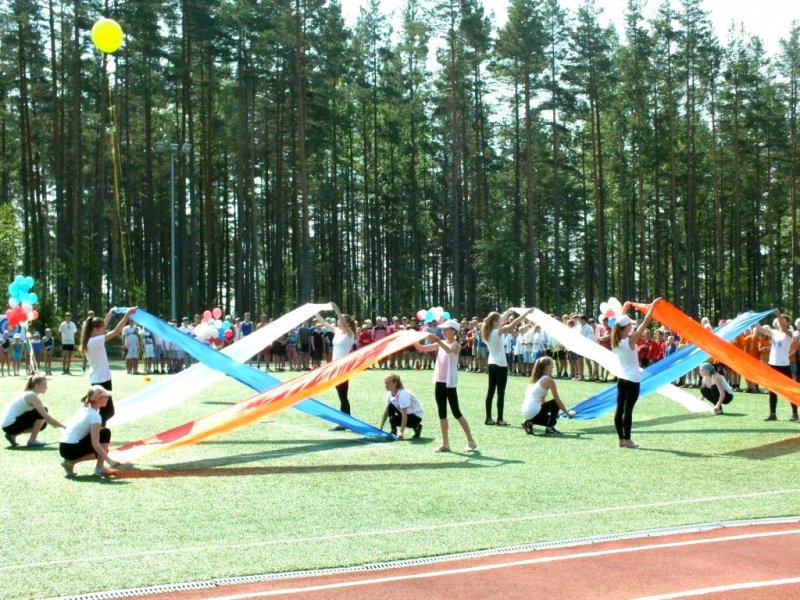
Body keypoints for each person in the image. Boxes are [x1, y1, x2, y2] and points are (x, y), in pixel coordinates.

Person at [414, 319, 476, 453]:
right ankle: (445, 444)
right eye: (443, 329)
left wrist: (437, 339)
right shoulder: (440, 343)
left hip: (450, 383)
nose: (443, 331)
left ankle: (471, 441)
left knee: (456, 412)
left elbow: (449, 350)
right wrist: (414, 338)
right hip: (439, 382)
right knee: (442, 412)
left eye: (446, 329)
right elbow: (421, 348)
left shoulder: (456, 345)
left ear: (453, 331)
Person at [611, 299, 660, 448]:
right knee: (628, 411)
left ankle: (621, 439)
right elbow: (645, 323)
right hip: (632, 380)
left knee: (619, 409)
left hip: (621, 379)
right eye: (630, 326)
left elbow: (619, 323)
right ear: (626, 328)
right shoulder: (630, 341)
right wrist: (652, 307)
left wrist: (623, 311)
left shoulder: (615, 340)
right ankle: (628, 440)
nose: (632, 328)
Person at [80, 307, 137, 425]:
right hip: (101, 380)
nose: (104, 330)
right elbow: (116, 331)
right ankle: (96, 431)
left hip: (99, 379)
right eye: (102, 329)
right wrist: (127, 315)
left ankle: (96, 430)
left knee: (103, 410)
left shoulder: (91, 339)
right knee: (107, 411)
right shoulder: (95, 341)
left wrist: (110, 314)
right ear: (95, 329)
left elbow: (102, 325)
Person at [481, 308, 533, 426]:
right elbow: (511, 325)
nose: (501, 321)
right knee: (500, 393)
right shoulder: (496, 331)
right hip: (500, 365)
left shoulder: (488, 332)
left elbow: (501, 320)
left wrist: (509, 311)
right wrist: (525, 314)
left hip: (492, 364)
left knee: (490, 392)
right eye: (499, 320)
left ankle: (488, 418)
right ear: (495, 321)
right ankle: (500, 419)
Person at [59, 385, 124, 477]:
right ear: (98, 399)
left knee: (103, 440)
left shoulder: (83, 410)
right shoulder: (95, 416)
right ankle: (99, 468)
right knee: (105, 434)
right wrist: (110, 460)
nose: (108, 399)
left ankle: (70, 462)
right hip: (70, 449)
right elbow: (95, 443)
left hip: (63, 448)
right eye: (106, 396)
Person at [314, 304, 356, 428]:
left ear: (348, 324)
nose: (338, 322)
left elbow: (342, 319)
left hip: (343, 368)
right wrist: (314, 312)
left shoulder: (350, 334)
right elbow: (324, 323)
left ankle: (344, 422)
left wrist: (337, 309)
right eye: (338, 321)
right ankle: (345, 421)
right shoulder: (337, 331)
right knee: (341, 395)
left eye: (341, 321)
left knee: (343, 395)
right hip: (334, 367)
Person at [754, 309, 799, 421]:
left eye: (784, 321)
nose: (781, 322)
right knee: (772, 390)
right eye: (780, 320)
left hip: (784, 365)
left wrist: (778, 314)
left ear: (788, 323)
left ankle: (795, 413)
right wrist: (754, 319)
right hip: (772, 364)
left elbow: (783, 328)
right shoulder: (774, 332)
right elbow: (760, 329)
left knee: (788, 390)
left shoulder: (789, 333)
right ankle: (772, 414)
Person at [2, 374, 65, 447]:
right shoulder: (31, 396)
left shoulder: (27, 393)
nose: (47, 387)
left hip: (7, 425)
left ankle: (12, 435)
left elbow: (45, 418)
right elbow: (45, 415)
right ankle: (32, 440)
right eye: (45, 384)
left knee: (43, 424)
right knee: (43, 411)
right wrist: (63, 427)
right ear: (36, 385)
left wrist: (55, 425)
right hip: (10, 425)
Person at [521, 356, 575, 435]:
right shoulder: (548, 380)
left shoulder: (534, 380)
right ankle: (549, 428)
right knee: (553, 414)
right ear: (546, 366)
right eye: (551, 365)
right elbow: (557, 400)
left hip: (526, 413)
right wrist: (568, 413)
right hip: (533, 411)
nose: (553, 367)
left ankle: (529, 422)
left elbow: (542, 402)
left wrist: (546, 415)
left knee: (550, 419)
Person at [379, 373, 423, 439]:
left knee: (393, 416)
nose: (386, 385)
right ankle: (393, 431)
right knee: (390, 408)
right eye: (385, 383)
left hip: (415, 417)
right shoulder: (389, 395)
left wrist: (401, 433)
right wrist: (380, 428)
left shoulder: (403, 394)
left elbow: (404, 415)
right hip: (405, 414)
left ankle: (416, 426)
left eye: (388, 383)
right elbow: (386, 413)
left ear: (395, 383)